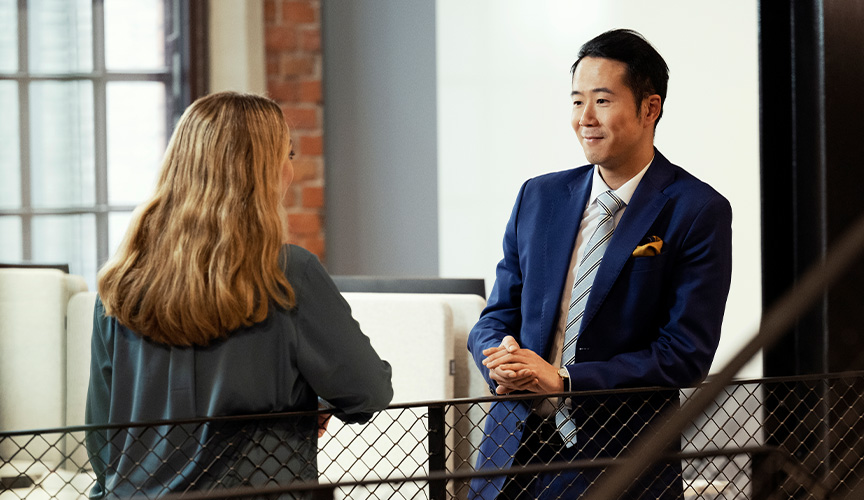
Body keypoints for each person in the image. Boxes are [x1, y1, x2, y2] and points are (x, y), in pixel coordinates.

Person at [85, 91, 393, 499]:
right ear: (260, 171)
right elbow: (367, 390)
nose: (291, 171)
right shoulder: (287, 274)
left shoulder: (120, 281)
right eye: (287, 155)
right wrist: (315, 401)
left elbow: (101, 438)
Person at [467, 29, 733, 499]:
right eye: (576, 102)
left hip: (621, 460)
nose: (584, 118)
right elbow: (496, 315)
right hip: (511, 454)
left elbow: (685, 353)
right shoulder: (539, 196)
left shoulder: (697, 209)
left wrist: (566, 381)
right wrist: (500, 358)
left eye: (602, 101)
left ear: (650, 108)